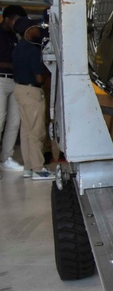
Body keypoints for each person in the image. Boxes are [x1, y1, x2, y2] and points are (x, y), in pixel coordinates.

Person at [12, 17, 53, 181]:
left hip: (19, 89)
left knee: (26, 131)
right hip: (32, 92)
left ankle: (28, 168)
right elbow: (39, 78)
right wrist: (48, 71)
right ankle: (38, 168)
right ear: (29, 31)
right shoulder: (33, 50)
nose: (38, 30)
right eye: (35, 27)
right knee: (37, 131)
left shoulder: (17, 48)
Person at [0, 5, 26, 173]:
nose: (18, 24)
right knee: (0, 120)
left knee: (14, 122)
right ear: (7, 19)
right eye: (16, 21)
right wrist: (11, 65)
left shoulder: (15, 36)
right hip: (1, 80)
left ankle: (6, 158)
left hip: (15, 81)